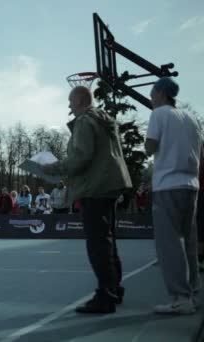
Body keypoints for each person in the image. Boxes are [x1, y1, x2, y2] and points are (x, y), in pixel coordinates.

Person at [43, 85, 132, 314]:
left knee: (98, 244)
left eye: (71, 102)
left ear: (81, 100)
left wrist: (55, 167)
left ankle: (106, 295)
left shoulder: (85, 121)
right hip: (109, 185)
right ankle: (114, 288)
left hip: (94, 187)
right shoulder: (103, 119)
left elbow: (81, 158)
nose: (69, 107)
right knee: (107, 240)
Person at [145, 77, 202, 315]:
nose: (150, 98)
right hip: (191, 184)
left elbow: (150, 146)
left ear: (160, 94)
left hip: (168, 183)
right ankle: (193, 291)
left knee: (169, 243)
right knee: (188, 240)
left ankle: (180, 297)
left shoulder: (159, 115)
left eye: (152, 93)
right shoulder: (192, 119)